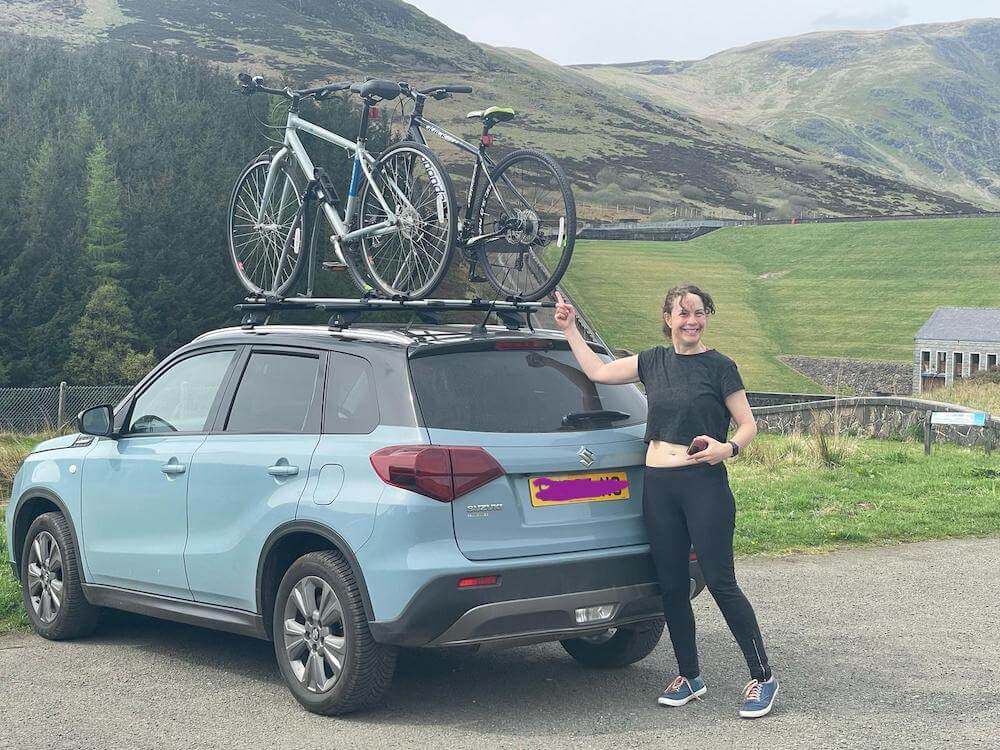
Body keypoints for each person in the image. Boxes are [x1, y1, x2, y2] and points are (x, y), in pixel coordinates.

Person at [552, 285, 778, 719]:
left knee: (720, 582)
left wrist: (726, 449)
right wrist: (570, 329)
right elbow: (598, 372)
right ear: (668, 317)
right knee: (671, 587)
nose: (692, 320)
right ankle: (690, 675)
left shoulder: (720, 367)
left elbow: (748, 424)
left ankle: (763, 677)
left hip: (703, 483)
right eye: (684, 313)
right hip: (658, 484)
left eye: (699, 312)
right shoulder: (652, 361)